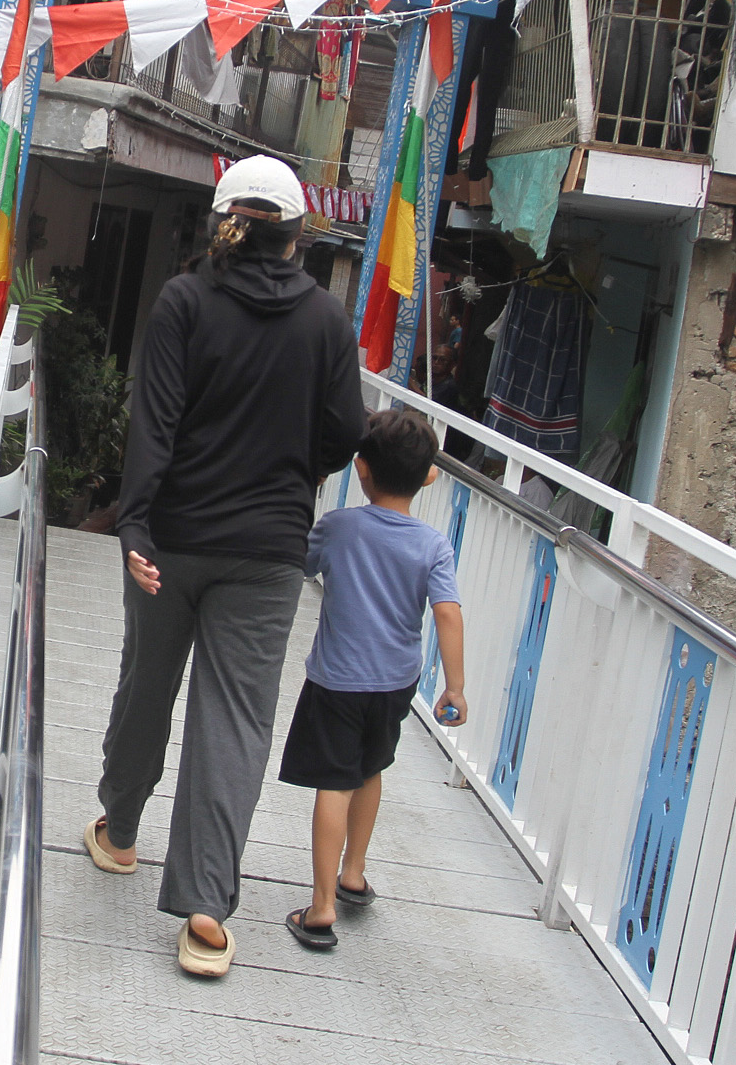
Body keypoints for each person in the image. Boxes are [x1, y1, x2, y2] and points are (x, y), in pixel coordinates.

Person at [84, 154, 367, 978]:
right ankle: (206, 907)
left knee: (147, 687)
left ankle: (122, 833)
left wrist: (135, 526)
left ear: (223, 222)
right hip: (269, 552)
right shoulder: (326, 319)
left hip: (170, 539)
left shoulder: (182, 301)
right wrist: (292, 473)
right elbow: (345, 432)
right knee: (234, 722)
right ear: (296, 235)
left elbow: (154, 425)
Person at [274, 406, 467, 950]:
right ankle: (353, 874)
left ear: (360, 468)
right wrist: (453, 686)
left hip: (337, 680)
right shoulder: (433, 545)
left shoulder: (338, 529)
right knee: (370, 768)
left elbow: (298, 564)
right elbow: (448, 613)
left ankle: (320, 906)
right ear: (428, 476)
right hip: (396, 683)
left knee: (333, 780)